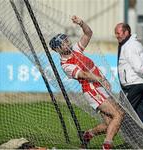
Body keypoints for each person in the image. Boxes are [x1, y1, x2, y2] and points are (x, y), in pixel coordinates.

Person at [49, 16, 124, 149]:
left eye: (66, 40)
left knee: (109, 124)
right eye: (64, 42)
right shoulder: (66, 65)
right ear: (58, 49)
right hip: (92, 89)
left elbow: (88, 34)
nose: (67, 43)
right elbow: (83, 74)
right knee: (118, 115)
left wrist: (81, 23)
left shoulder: (76, 50)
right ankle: (107, 145)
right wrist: (101, 79)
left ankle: (88, 134)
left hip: (98, 87)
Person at [114, 23, 143, 132]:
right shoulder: (135, 44)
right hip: (141, 84)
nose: (116, 36)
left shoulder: (129, 46)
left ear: (126, 32)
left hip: (133, 85)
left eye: (118, 33)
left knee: (121, 112)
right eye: (115, 33)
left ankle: (132, 141)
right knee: (140, 114)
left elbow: (138, 65)